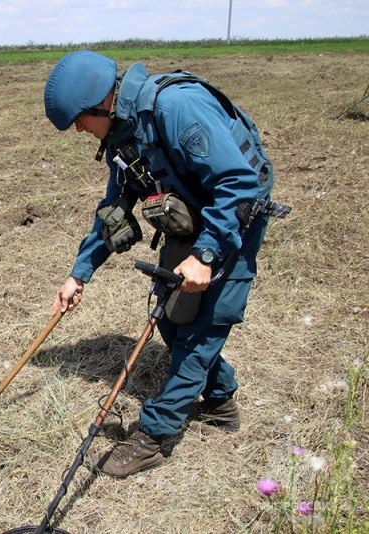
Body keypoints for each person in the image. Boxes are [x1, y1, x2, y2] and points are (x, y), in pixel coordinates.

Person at [43, 50, 276, 478]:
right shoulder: (123, 135)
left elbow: (236, 182)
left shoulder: (175, 108)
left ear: (103, 102)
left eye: (79, 118)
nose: (78, 129)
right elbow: (114, 212)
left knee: (201, 332)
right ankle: (220, 400)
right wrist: (79, 274)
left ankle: (153, 436)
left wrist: (205, 255)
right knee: (171, 318)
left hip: (235, 215)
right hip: (193, 214)